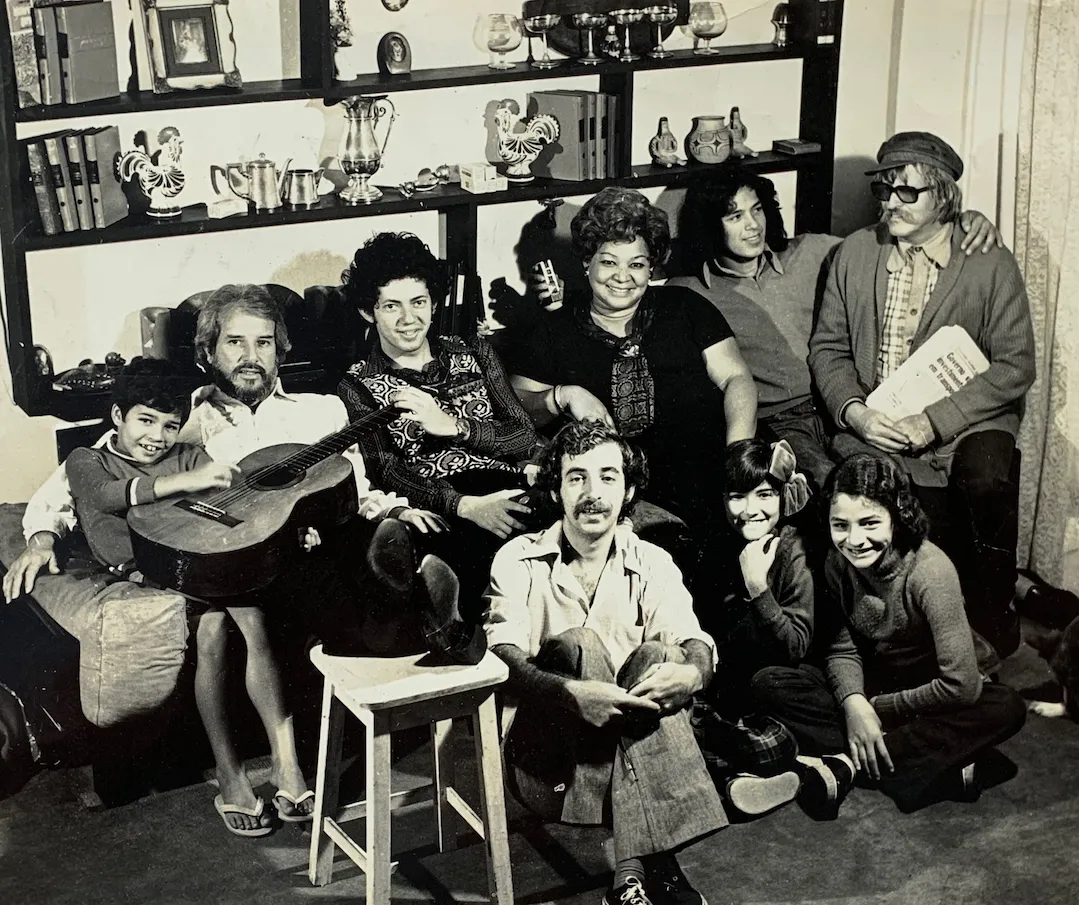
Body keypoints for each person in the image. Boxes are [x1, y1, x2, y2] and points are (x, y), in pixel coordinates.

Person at [3, 284, 475, 829]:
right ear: (209, 352)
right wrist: (42, 537)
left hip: (315, 546)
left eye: (264, 342)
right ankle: (421, 621)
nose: (251, 356)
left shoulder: (321, 411)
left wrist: (392, 509)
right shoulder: (182, 419)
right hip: (235, 563)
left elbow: (351, 487)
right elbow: (78, 484)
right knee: (261, 608)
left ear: (281, 350)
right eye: (235, 342)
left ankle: (415, 601)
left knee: (357, 544)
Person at [65, 357, 315, 837]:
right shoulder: (87, 460)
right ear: (117, 415)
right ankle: (231, 773)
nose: (157, 436)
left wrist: (292, 528)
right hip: (145, 571)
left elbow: (235, 511)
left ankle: (286, 765)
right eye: (145, 420)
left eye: (170, 425)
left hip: (204, 563)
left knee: (253, 616)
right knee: (215, 627)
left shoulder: (189, 454)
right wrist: (185, 484)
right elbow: (106, 497)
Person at [808, 131, 1036, 658]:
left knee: (984, 480)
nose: (891, 203)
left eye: (907, 192)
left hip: (971, 418)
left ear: (945, 196)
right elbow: (828, 349)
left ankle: (994, 622)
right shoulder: (855, 253)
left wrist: (935, 421)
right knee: (898, 507)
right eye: (884, 190)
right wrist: (856, 413)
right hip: (881, 419)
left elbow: (1015, 365)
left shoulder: (989, 261)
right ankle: (908, 635)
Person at [484, 419, 727, 905]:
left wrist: (692, 672)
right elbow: (502, 657)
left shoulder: (652, 561)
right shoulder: (517, 558)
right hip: (550, 764)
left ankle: (630, 877)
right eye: (576, 477)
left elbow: (692, 638)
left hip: (610, 765)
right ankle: (660, 864)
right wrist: (570, 693)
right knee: (581, 643)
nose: (592, 493)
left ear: (629, 490)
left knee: (664, 656)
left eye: (608, 477)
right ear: (556, 490)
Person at [669, 169, 1004, 489]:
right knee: (827, 485)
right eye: (735, 217)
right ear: (709, 225)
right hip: (780, 422)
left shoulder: (814, 251)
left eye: (757, 209)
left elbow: (895, 239)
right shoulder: (688, 292)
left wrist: (961, 223)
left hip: (842, 402)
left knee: (883, 481)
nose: (753, 225)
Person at [753, 452, 1027, 814]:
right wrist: (853, 703)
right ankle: (931, 764)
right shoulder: (837, 562)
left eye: (870, 523)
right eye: (840, 525)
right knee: (769, 683)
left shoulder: (930, 572)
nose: (855, 540)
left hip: (932, 687)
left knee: (1006, 706)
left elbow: (961, 685)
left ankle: (848, 765)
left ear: (897, 518)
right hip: (878, 676)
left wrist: (872, 709)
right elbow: (842, 648)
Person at [507, 186, 757, 539]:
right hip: (622, 493)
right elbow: (516, 408)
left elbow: (736, 378)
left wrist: (738, 457)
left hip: (710, 471)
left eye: (636, 264)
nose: (622, 276)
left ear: (651, 267)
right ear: (587, 262)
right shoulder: (553, 329)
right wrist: (564, 395)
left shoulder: (685, 306)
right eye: (609, 262)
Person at [337, 232, 542, 619]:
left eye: (418, 302)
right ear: (368, 312)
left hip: (508, 486)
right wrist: (464, 506)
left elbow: (523, 435)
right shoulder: (358, 384)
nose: (408, 319)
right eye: (391, 306)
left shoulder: (474, 351)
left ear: (434, 303)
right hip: (442, 505)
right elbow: (386, 469)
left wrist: (456, 427)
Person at [690, 438, 827, 819]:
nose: (750, 510)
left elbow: (795, 647)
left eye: (764, 495)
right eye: (737, 496)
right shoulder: (721, 543)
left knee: (765, 702)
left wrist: (758, 588)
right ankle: (744, 778)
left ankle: (776, 766)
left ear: (782, 496)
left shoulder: (794, 550)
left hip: (786, 684)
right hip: (739, 693)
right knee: (688, 716)